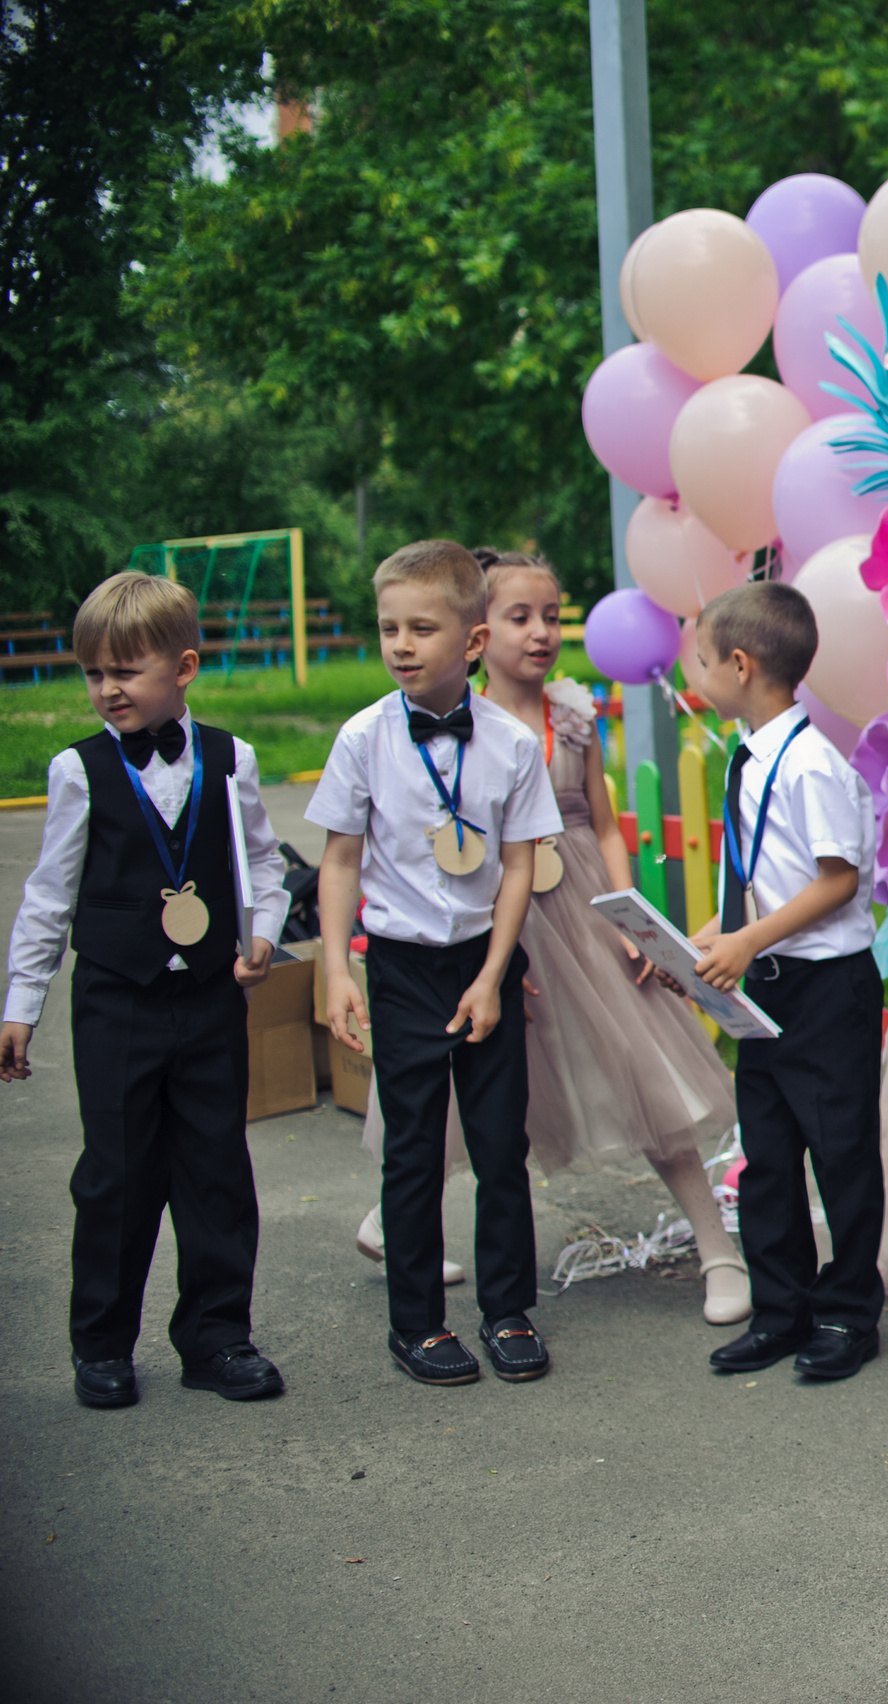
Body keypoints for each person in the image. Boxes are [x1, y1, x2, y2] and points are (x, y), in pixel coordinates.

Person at [344, 552, 749, 1324]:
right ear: (475, 633)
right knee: (468, 1087)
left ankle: (717, 1250)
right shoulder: (447, 721)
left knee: (644, 1065)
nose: (540, 632)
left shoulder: (572, 713)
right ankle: (392, 1220)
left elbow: (601, 821)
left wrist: (625, 916)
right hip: (500, 914)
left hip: (584, 907)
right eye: (519, 616)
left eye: (551, 615)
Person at [0, 573, 290, 1409]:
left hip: (207, 1002)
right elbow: (49, 894)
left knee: (216, 1170)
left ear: (184, 667)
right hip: (116, 1002)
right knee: (116, 1174)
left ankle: (216, 1336)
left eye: (125, 671)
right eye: (93, 672)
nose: (106, 690)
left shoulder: (232, 758)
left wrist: (261, 931)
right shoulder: (78, 769)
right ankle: (101, 1343)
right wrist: (22, 1006)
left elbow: (264, 864)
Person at [314, 540, 563, 1387]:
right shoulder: (362, 738)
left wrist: (494, 975)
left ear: (471, 639)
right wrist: (336, 971)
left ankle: (507, 1310)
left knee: (500, 1147)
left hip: (483, 961)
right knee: (412, 1150)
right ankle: (416, 1324)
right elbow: (340, 859)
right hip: (401, 966)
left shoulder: (511, 744)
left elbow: (521, 862)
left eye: (423, 628)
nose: (401, 645)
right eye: (389, 628)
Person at [685, 580, 886, 1382]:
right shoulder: (751, 753)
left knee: (840, 1155)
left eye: (701, 660)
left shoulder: (810, 766)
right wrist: (714, 938)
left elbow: (837, 881)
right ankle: (782, 1309)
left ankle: (848, 1314)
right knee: (766, 1153)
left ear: (739, 665)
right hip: (762, 980)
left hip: (825, 987)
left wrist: (749, 939)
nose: (694, 673)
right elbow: (768, 874)